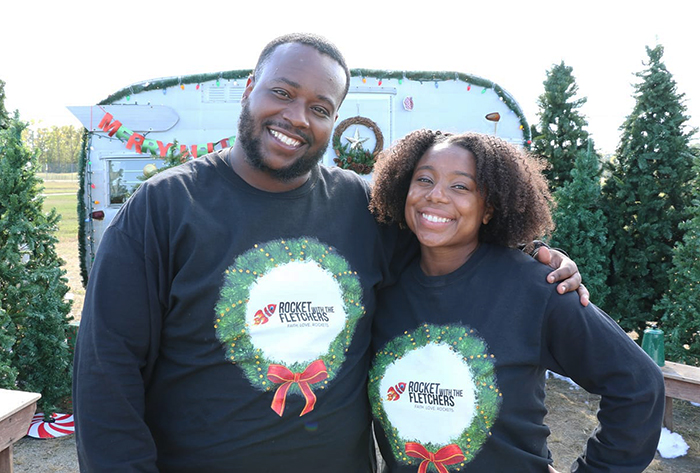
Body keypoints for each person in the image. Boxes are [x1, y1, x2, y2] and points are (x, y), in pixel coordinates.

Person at [72, 34, 585, 472]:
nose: (296, 117)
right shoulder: (164, 207)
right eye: (282, 93)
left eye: (320, 108)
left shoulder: (363, 207)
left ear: (335, 119)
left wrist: (530, 252)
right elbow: (106, 371)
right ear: (250, 90)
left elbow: (450, 242)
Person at [368, 130, 664, 473]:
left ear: (489, 209)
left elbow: (638, 384)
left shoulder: (536, 288)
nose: (436, 196)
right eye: (424, 179)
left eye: (460, 186)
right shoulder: (384, 286)